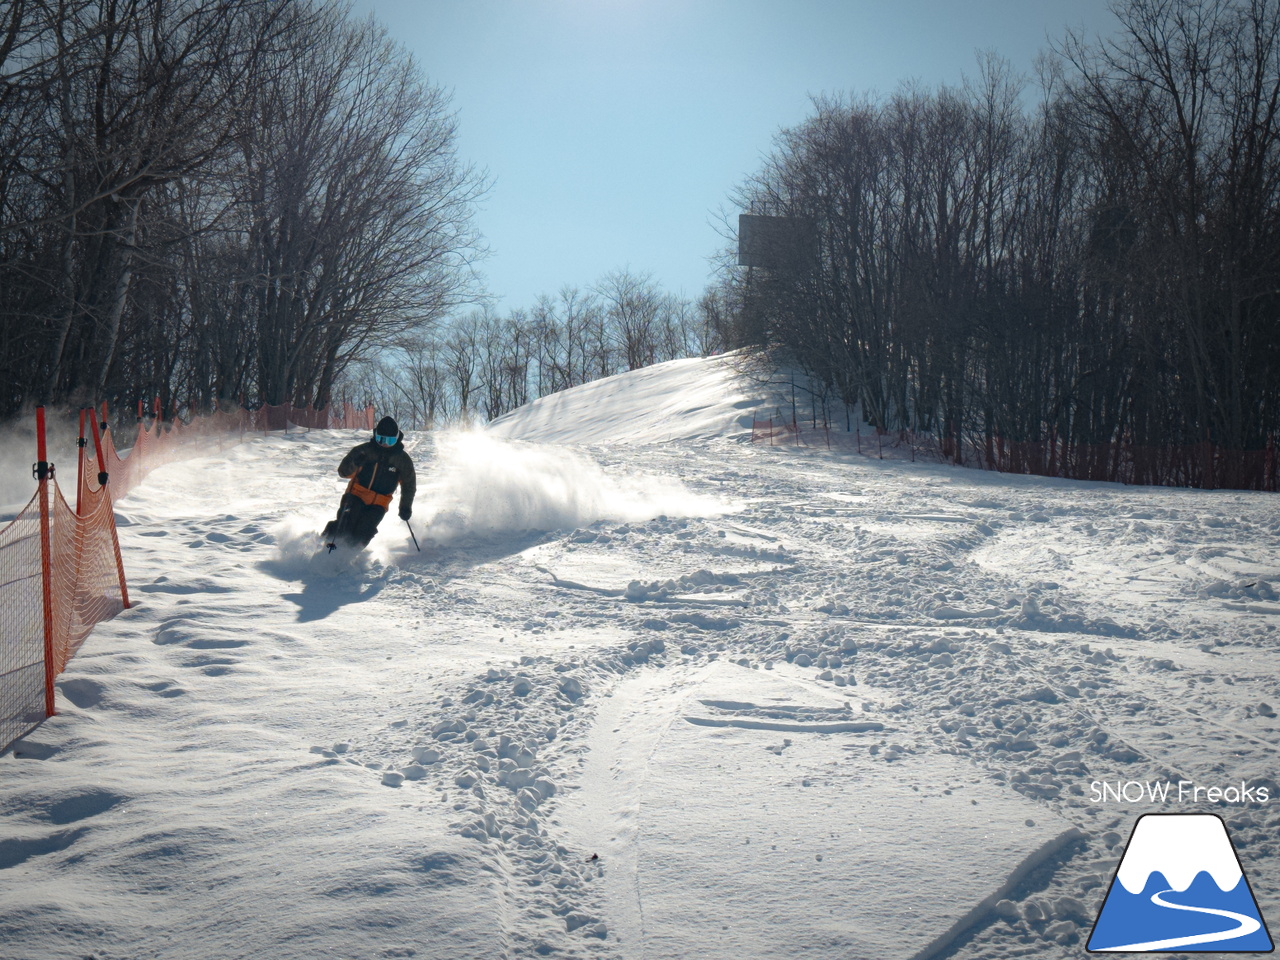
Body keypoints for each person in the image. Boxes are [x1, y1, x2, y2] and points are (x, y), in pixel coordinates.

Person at [323, 415, 416, 550]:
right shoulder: (364, 451)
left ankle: (349, 554)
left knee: (364, 531)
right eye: (381, 439)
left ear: (397, 439)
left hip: (380, 503)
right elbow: (343, 472)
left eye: (390, 441)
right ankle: (324, 544)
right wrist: (355, 463)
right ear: (375, 435)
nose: (384, 444)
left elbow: (409, 485)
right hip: (356, 495)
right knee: (345, 525)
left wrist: (405, 507)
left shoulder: (402, 460)